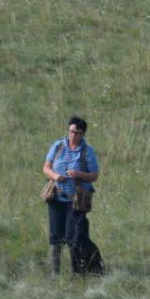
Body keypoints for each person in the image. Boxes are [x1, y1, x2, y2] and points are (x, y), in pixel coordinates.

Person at [42, 116, 99, 275]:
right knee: (55, 237)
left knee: (73, 238)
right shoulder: (58, 146)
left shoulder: (87, 151)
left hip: (77, 201)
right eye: (71, 131)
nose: (72, 135)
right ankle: (55, 274)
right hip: (56, 198)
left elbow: (94, 175)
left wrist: (78, 174)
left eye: (77, 133)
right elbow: (46, 168)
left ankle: (78, 272)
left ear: (83, 134)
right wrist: (55, 176)